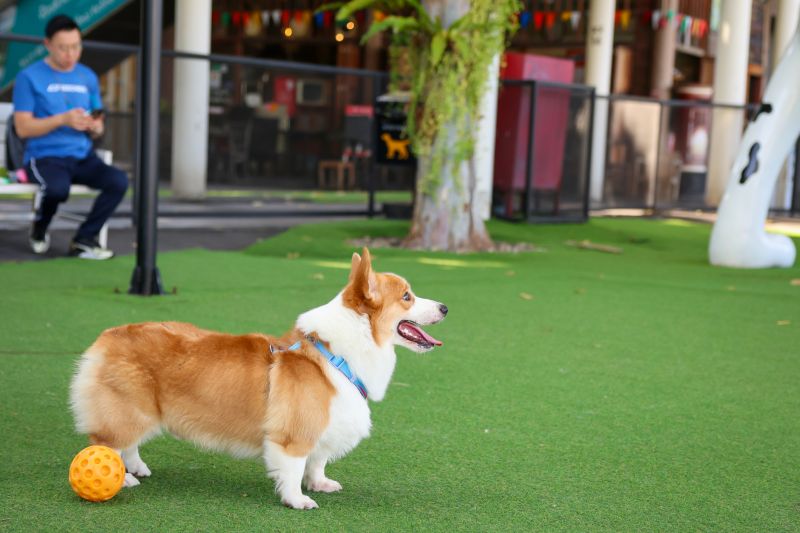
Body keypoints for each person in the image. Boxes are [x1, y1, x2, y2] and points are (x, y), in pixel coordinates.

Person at [12, 14, 128, 260]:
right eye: (63, 48)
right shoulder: (28, 77)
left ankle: (84, 240)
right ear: (47, 45)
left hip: (82, 156)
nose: (70, 54)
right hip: (45, 157)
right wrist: (62, 120)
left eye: (76, 47)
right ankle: (40, 227)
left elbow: (99, 123)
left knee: (118, 182)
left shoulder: (88, 77)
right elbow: (22, 128)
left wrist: (95, 127)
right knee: (57, 189)